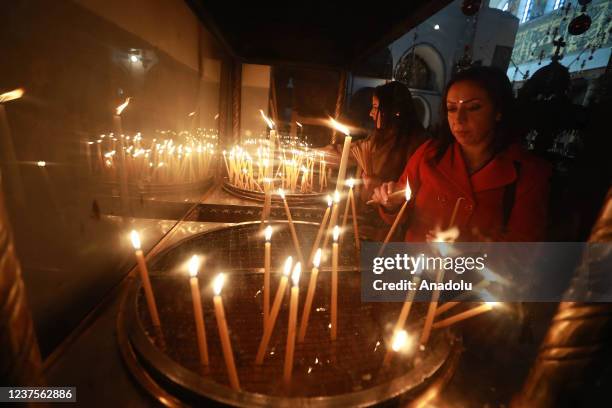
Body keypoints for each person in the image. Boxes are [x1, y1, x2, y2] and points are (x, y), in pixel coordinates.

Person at [370, 66, 552, 242]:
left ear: (498, 111)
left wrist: (470, 245)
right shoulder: (429, 154)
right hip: (414, 267)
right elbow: (401, 210)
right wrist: (391, 204)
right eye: (452, 109)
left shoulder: (528, 173)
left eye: (473, 108)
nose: (459, 119)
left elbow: (524, 249)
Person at [326, 81, 428, 201]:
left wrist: (379, 185)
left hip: (391, 216)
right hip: (367, 211)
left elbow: (412, 191)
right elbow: (350, 151)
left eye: (375, 107)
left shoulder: (418, 145)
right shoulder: (377, 137)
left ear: (394, 110)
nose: (371, 113)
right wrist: (312, 153)